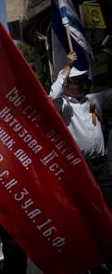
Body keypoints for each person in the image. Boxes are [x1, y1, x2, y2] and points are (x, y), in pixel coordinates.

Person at [49, 51, 112, 207]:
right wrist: (67, 66)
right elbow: (52, 96)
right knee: (91, 209)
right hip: (81, 168)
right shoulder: (63, 105)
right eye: (75, 80)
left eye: (82, 79)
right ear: (66, 84)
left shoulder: (93, 101)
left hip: (103, 166)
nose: (81, 83)